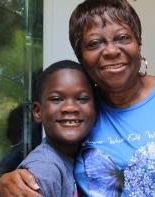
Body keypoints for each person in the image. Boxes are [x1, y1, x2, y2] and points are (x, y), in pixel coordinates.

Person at [0, 0, 155, 196]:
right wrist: (9, 180)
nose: (112, 50)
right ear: (81, 57)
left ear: (139, 44)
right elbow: (50, 161)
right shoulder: (81, 113)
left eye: (122, 37)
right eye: (95, 43)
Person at [17, 60, 96, 196]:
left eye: (82, 99)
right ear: (38, 112)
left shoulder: (82, 156)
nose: (70, 108)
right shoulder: (44, 170)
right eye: (56, 99)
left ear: (96, 109)